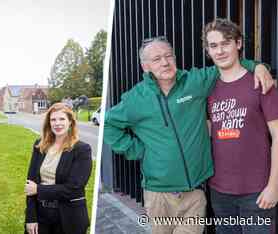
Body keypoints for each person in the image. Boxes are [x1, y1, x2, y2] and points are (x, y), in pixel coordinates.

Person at [103, 36, 274, 234]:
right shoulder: (136, 98)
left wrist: (258, 66)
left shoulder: (195, 82)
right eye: (157, 59)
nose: (165, 62)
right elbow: (109, 124)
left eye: (168, 56)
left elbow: (227, 65)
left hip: (194, 193)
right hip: (158, 195)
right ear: (145, 67)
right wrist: (137, 150)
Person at [203, 18, 278, 234]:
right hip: (219, 191)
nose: (220, 51)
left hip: (258, 192)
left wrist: (274, 186)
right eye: (214, 46)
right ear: (208, 50)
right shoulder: (207, 87)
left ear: (238, 44)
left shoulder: (261, 83)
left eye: (226, 43)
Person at [24, 102, 92, 234]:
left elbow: (74, 189)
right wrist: (30, 217)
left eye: (62, 119)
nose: (57, 123)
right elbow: (30, 184)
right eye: (53, 120)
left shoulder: (82, 150)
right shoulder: (40, 145)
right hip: (41, 214)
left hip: (68, 217)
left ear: (71, 122)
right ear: (49, 123)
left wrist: (38, 189)